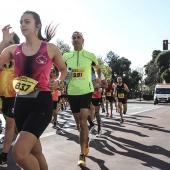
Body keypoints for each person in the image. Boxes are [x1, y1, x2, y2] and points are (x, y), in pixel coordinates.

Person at [0, 10, 67, 170]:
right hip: (21, 104)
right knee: (36, 152)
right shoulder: (13, 50)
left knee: (19, 153)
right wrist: (4, 42)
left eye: (27, 21)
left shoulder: (50, 48)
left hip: (41, 104)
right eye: (21, 22)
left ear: (38, 26)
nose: (22, 24)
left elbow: (63, 70)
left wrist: (57, 81)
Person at [63, 31, 101, 167]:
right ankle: (86, 140)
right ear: (71, 41)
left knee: (84, 122)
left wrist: (98, 79)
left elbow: (98, 68)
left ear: (83, 40)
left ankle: (81, 155)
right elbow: (62, 71)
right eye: (74, 37)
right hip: (72, 92)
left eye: (78, 37)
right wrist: (63, 79)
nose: (76, 39)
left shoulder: (90, 55)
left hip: (86, 91)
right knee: (79, 124)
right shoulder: (66, 56)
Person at [0, 31, 20, 168]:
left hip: (15, 96)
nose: (8, 46)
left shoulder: (20, 57)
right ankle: (25, 140)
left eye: (11, 43)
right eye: (7, 43)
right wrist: (4, 40)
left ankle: (4, 155)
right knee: (13, 125)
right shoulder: (2, 57)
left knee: (10, 124)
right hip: (2, 95)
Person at [89, 69, 107, 137]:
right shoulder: (85, 73)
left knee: (96, 113)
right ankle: (91, 124)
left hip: (97, 96)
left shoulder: (100, 74)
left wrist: (99, 85)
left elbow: (106, 85)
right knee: (84, 111)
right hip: (88, 95)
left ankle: (99, 129)